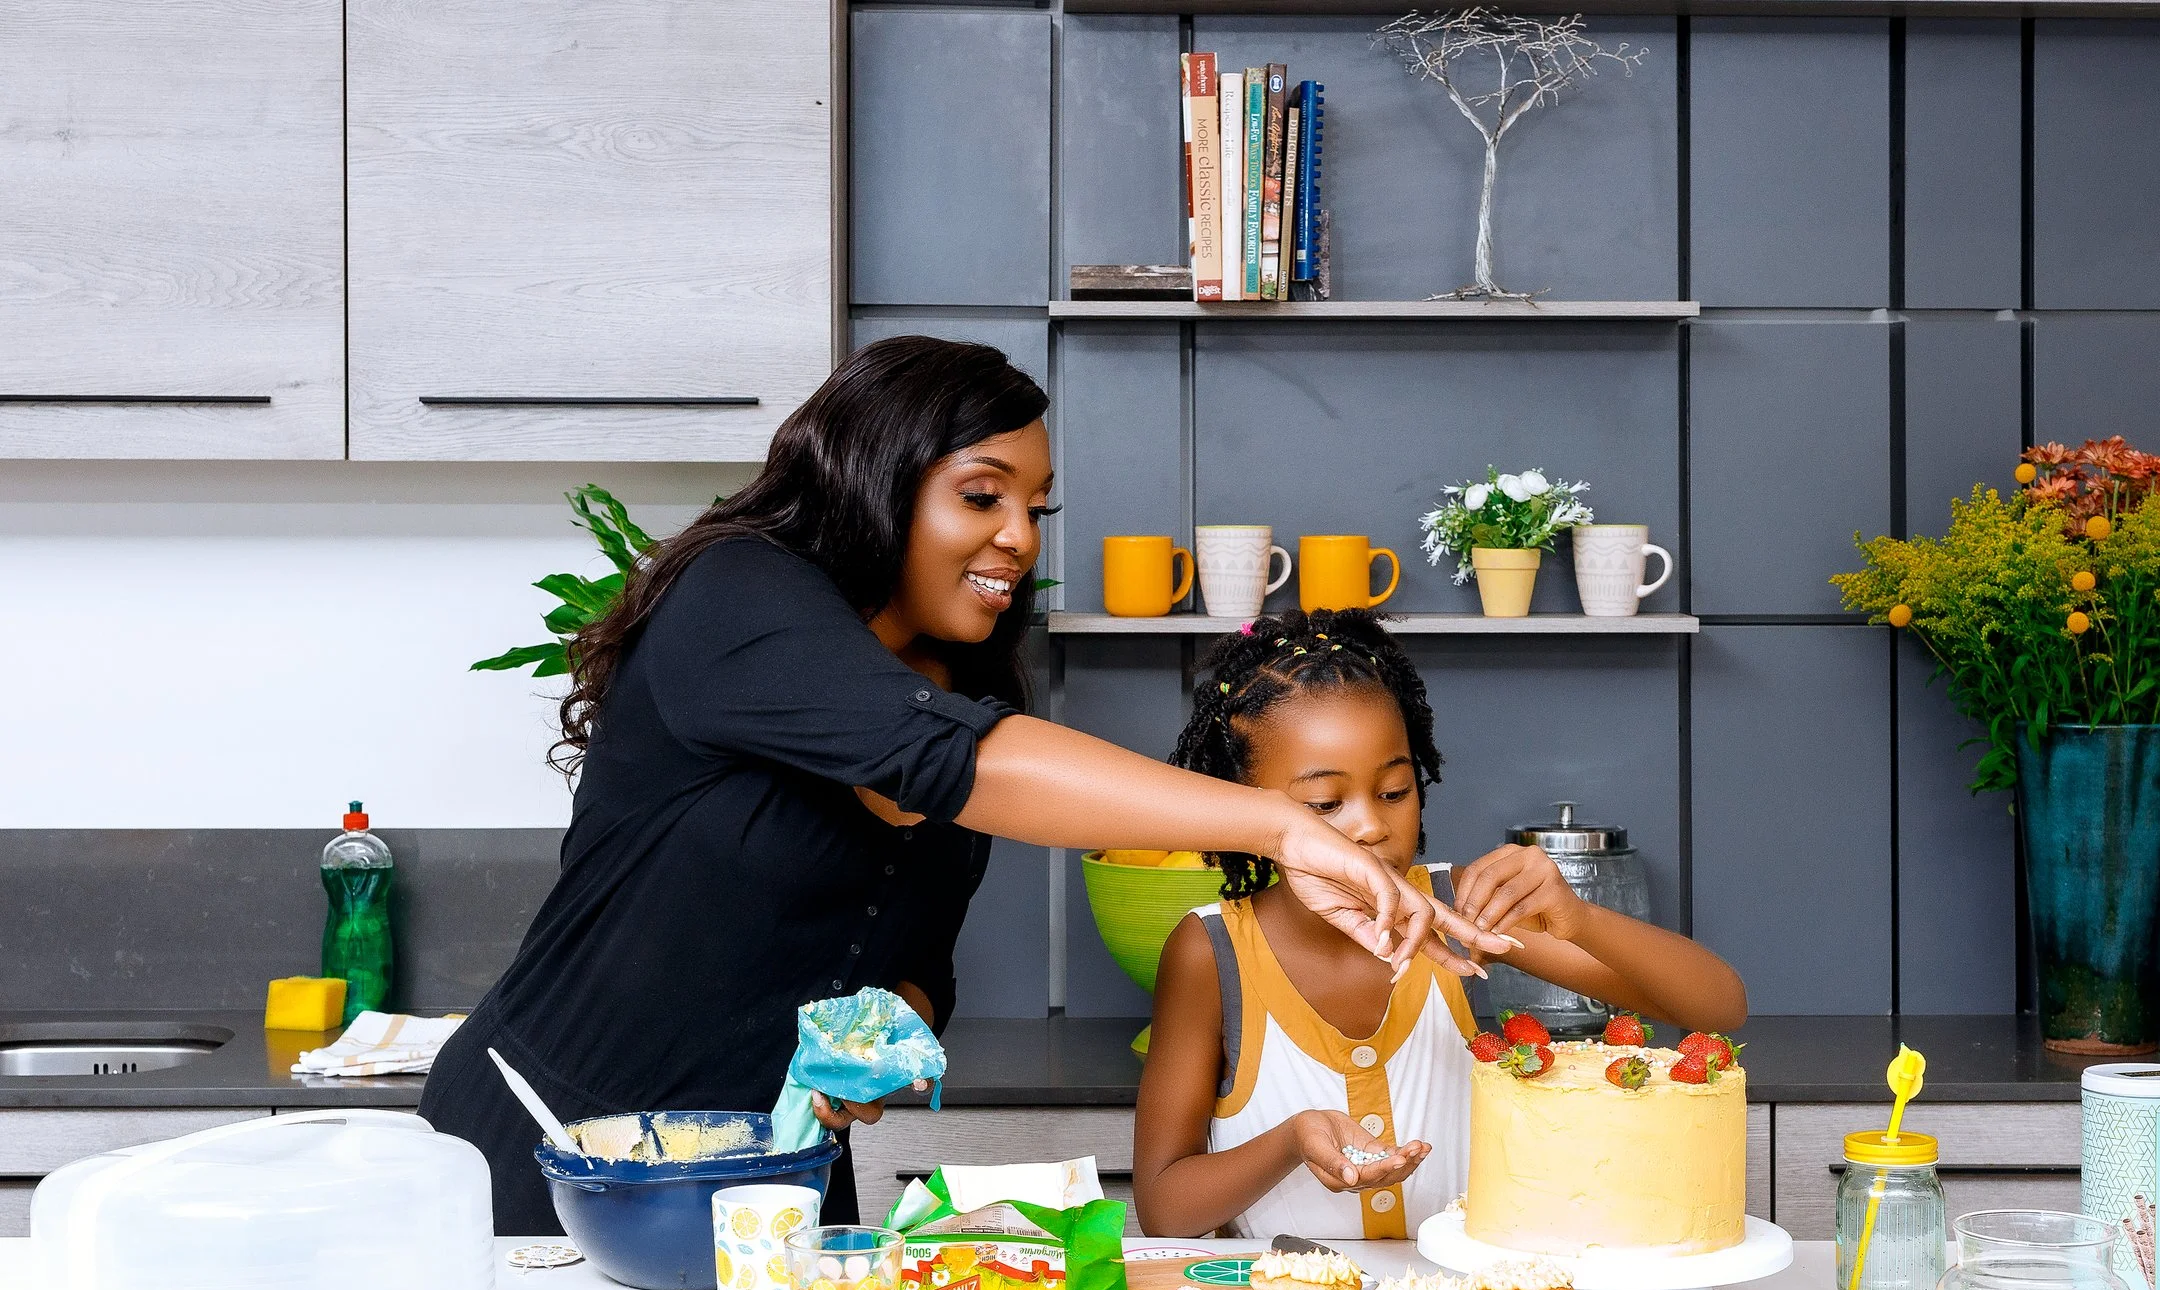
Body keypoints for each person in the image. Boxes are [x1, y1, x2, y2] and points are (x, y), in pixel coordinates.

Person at [422, 339, 1507, 1233]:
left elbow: (918, 962)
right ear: (872, 478)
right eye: (981, 495)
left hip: (772, 1190)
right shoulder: (735, 597)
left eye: (1037, 507)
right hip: (549, 1150)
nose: (1018, 538)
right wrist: (1279, 823)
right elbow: (953, 760)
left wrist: (894, 1027)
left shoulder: (965, 685)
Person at [1129, 610, 1748, 1241]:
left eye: (1394, 791)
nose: (1370, 826)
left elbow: (1718, 1006)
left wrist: (1579, 919)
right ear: (1242, 805)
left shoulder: (1457, 912)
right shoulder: (1211, 952)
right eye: (1324, 804)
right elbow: (1164, 1207)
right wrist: (1291, 1142)